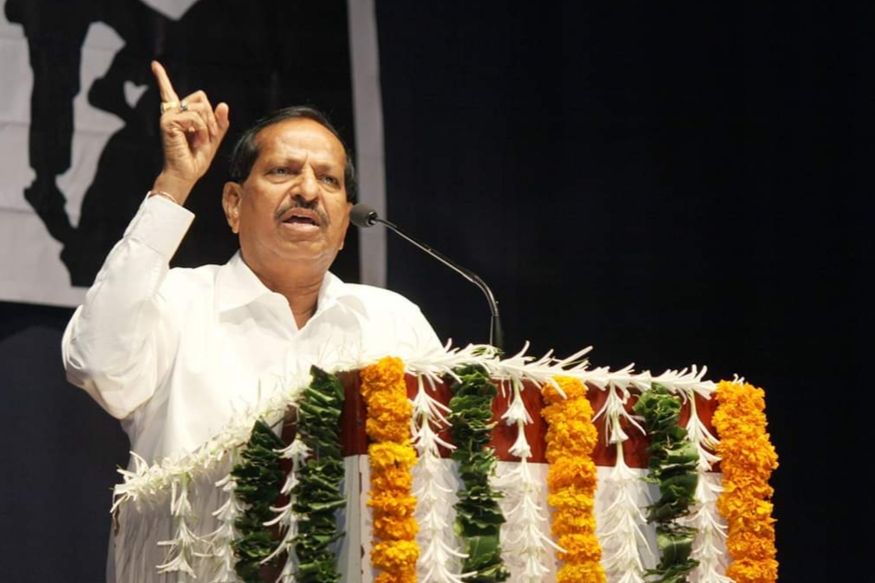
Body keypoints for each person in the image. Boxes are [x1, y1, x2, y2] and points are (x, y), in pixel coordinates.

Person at [62, 62, 441, 581]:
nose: (308, 190)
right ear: (234, 205)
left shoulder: (393, 323)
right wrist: (175, 185)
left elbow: (439, 476)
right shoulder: (177, 302)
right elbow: (94, 362)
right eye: (283, 171)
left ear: (344, 226)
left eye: (328, 179)